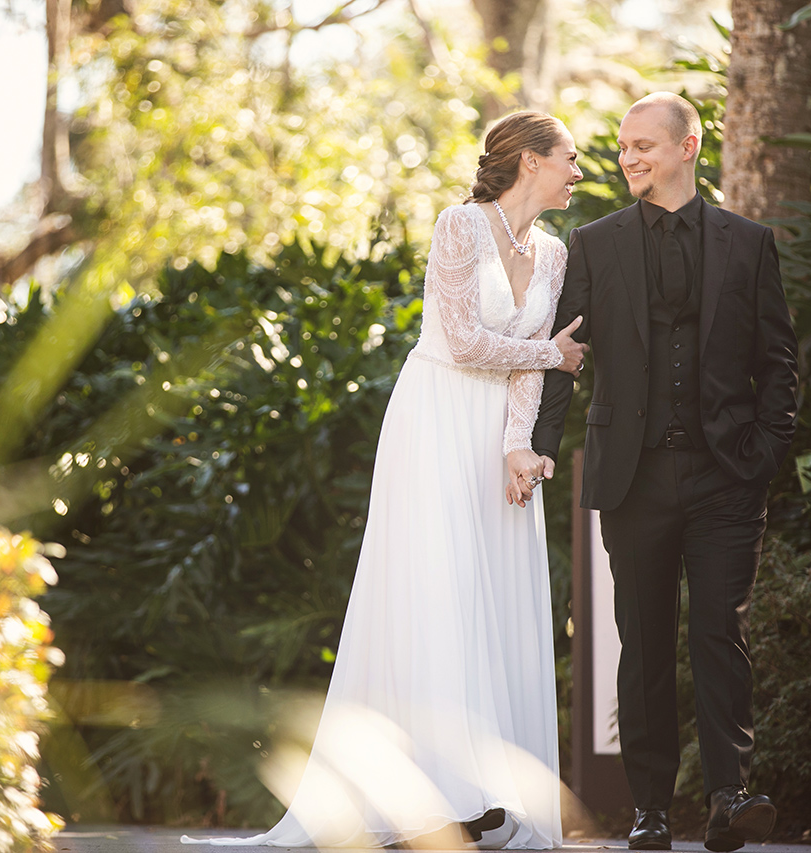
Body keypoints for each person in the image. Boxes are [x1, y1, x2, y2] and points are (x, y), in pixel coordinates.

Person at [181, 111, 588, 849]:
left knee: (491, 595)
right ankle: (429, 798)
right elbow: (465, 342)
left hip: (495, 435)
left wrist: (516, 447)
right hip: (434, 421)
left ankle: (489, 793)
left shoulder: (555, 252)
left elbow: (532, 354)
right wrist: (550, 359)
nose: (579, 170)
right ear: (529, 161)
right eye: (569, 157)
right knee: (434, 591)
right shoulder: (458, 227)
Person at [520, 92, 799, 853]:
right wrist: (538, 446)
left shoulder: (749, 243)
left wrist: (762, 458)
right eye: (620, 147)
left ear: (688, 145)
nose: (628, 157)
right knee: (640, 642)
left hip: (725, 479)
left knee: (719, 633)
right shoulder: (595, 243)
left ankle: (729, 797)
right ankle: (648, 808)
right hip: (633, 477)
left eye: (643, 144)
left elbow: (779, 365)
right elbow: (566, 358)